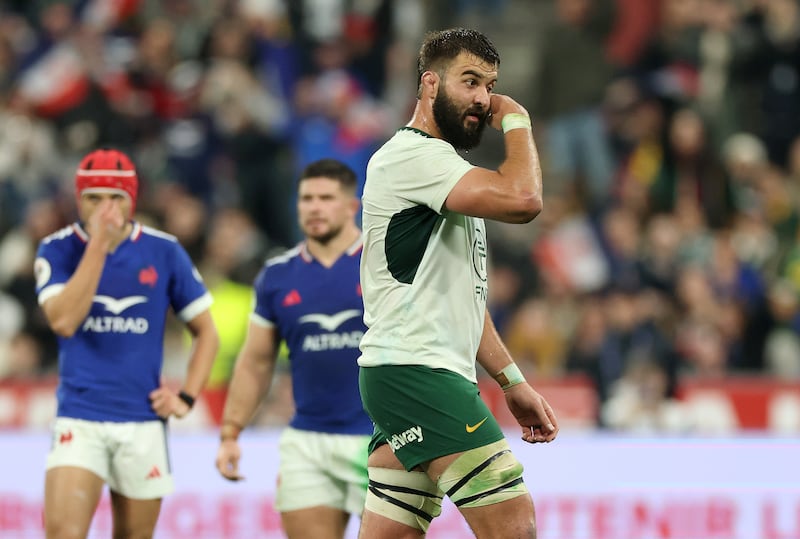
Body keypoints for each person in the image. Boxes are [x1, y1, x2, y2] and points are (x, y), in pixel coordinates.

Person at [357, 28, 559, 538]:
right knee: (513, 526)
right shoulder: (412, 157)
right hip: (418, 372)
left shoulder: (445, 171)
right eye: (470, 81)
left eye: (490, 86)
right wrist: (516, 119)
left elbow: (465, 299)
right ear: (429, 84)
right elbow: (525, 200)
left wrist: (511, 381)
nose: (483, 99)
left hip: (409, 371)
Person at [34, 148, 219, 539]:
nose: (106, 209)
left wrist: (185, 396)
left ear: (132, 199)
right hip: (80, 417)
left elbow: (207, 332)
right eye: (94, 198)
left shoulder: (164, 250)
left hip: (143, 422)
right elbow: (64, 321)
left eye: (116, 197)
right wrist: (99, 245)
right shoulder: (57, 248)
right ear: (78, 200)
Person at [215, 159, 372, 539]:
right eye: (306, 199)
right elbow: (255, 363)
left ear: (353, 206)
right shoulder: (277, 276)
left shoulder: (382, 265)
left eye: (326, 198)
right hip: (308, 440)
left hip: (380, 439)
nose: (314, 207)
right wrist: (231, 432)